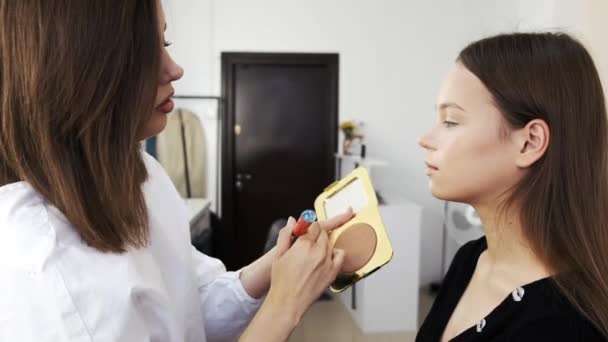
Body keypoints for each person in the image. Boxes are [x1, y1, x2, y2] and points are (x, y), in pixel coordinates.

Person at [0, 1, 353, 341]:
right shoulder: (41, 269)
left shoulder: (143, 175)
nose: (174, 69)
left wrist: (276, 265)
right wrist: (284, 307)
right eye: (145, 52)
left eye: (164, 43)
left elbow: (188, 305)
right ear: (78, 72)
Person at [417, 32, 608, 341]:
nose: (425, 139)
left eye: (450, 121)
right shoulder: (471, 258)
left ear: (529, 142)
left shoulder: (565, 327)